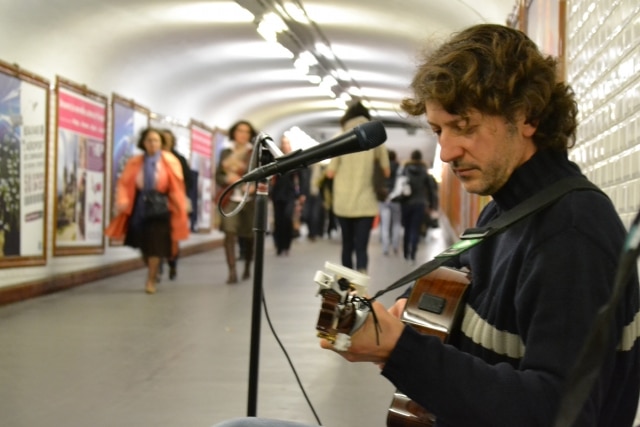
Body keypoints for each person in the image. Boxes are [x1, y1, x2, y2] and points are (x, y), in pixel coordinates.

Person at [212, 24, 640, 427]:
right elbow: (444, 299)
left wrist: (399, 348)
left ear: (526, 116)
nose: (448, 151)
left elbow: (557, 413)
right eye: (438, 129)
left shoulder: (570, 236)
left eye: (463, 127)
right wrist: (399, 314)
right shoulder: (507, 210)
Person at [105, 128, 189, 294]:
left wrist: (179, 205)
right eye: (149, 140)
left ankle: (150, 280)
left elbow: (177, 185)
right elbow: (124, 182)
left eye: (156, 140)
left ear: (161, 143)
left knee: (156, 244)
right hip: (140, 205)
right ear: (143, 143)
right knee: (143, 243)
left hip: (161, 206)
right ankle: (153, 268)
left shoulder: (169, 161)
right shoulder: (135, 161)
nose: (152, 144)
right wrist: (122, 200)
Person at [325, 101, 390, 273]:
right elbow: (387, 170)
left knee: (347, 245)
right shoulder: (374, 140)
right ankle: (360, 287)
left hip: (343, 203)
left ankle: (347, 285)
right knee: (361, 247)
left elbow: (330, 173)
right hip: (366, 202)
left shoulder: (340, 137)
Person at [215, 120, 257, 284]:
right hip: (230, 198)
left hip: (248, 199)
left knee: (248, 236)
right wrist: (227, 178)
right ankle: (232, 271)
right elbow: (218, 175)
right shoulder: (226, 152)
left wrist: (253, 184)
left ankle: (247, 265)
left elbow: (264, 174)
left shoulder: (253, 153)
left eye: (246, 131)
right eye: (240, 131)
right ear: (234, 132)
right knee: (229, 232)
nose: (243, 134)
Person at [160, 128, 194, 280]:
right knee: (158, 234)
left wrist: (178, 190)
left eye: (168, 139)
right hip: (157, 202)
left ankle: (172, 262)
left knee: (173, 235)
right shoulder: (154, 158)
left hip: (175, 202)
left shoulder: (179, 159)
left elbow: (189, 180)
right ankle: (158, 264)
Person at [399, 149, 435, 264]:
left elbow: (399, 185)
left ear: (411, 157)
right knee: (415, 229)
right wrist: (431, 205)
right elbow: (430, 190)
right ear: (420, 158)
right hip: (420, 203)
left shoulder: (405, 170)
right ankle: (413, 255)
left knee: (407, 229)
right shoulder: (424, 172)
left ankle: (405, 254)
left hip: (406, 203)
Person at [270, 135, 304, 256]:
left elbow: (300, 178)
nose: (285, 145)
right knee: (278, 221)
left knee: (287, 219)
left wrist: (301, 194)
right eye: (283, 143)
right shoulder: (276, 158)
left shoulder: (295, 158)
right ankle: (279, 246)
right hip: (277, 194)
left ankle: (286, 245)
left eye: (287, 143)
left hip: (290, 194)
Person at [378, 149, 402, 256]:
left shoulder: (382, 168)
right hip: (396, 199)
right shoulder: (399, 168)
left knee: (385, 224)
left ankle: (385, 248)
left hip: (383, 198)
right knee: (396, 223)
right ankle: (396, 246)